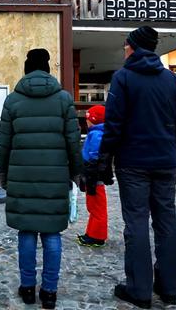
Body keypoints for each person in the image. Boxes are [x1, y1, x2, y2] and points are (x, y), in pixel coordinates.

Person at [98, 26, 176, 309]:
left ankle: (139, 289)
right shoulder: (172, 81)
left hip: (133, 162)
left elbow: (114, 124)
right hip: (165, 160)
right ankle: (169, 287)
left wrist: (105, 159)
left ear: (134, 47)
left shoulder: (123, 78)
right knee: (166, 222)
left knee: (136, 223)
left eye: (126, 45)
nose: (124, 49)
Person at [0, 48, 83, 310]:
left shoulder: (13, 101)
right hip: (55, 176)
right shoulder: (64, 99)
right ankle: (50, 292)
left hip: (22, 176)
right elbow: (72, 140)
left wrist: (2, 172)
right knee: (52, 233)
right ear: (47, 69)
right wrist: (77, 170)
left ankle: (27, 288)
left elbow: (4, 143)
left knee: (27, 232)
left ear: (26, 69)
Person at [77, 104, 111, 248]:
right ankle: (91, 233)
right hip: (92, 175)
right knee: (93, 205)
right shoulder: (96, 132)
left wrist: (89, 174)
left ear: (94, 120)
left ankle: (97, 236)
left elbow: (94, 156)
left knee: (97, 206)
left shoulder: (97, 134)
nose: (86, 122)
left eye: (88, 119)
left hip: (94, 176)